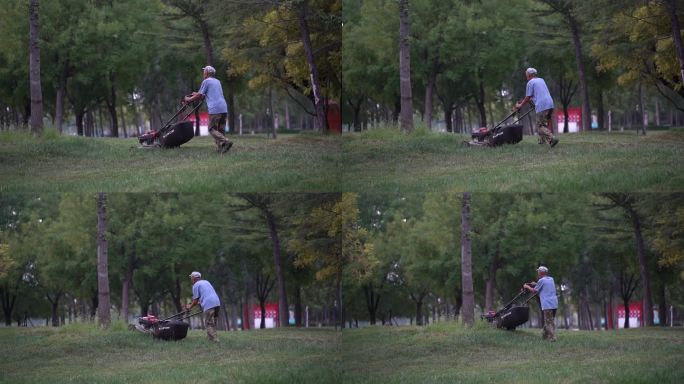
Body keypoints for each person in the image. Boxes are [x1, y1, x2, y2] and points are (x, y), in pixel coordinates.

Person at [183, 66, 233, 154]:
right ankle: (221, 149)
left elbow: (199, 96)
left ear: (207, 73)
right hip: (223, 108)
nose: (203, 73)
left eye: (204, 71)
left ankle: (225, 141)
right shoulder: (217, 82)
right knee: (220, 130)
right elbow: (202, 94)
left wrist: (188, 99)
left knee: (211, 128)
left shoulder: (206, 81)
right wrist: (196, 94)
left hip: (215, 109)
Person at [513, 68, 559, 148]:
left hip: (542, 105)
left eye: (526, 74)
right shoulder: (541, 80)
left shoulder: (530, 82)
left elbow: (528, 97)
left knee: (539, 126)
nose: (526, 76)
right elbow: (538, 93)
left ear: (529, 75)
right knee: (543, 124)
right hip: (550, 103)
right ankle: (542, 142)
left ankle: (552, 138)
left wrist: (520, 105)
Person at [523, 265, 558, 341]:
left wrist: (527, 287)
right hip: (554, 304)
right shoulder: (551, 279)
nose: (538, 273)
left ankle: (552, 338)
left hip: (547, 304)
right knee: (549, 320)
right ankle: (544, 337)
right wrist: (535, 284)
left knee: (549, 322)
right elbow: (545, 285)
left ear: (541, 273)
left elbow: (534, 291)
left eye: (538, 272)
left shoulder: (541, 281)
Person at [185, 271, 221, 342]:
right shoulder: (206, 282)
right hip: (217, 302)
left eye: (191, 278)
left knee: (208, 323)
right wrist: (199, 303)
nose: (191, 280)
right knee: (212, 322)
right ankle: (209, 338)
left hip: (209, 304)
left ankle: (215, 340)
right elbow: (205, 296)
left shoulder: (195, 285)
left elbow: (195, 301)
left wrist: (189, 307)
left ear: (194, 278)